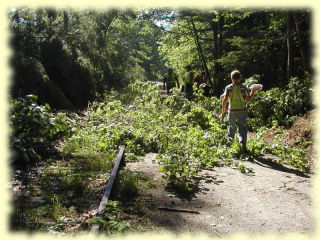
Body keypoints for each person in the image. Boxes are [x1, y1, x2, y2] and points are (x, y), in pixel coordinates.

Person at [220, 70, 257, 151]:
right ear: (240, 78)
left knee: (231, 127)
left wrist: (223, 111)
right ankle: (242, 142)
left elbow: (225, 100)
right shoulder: (243, 87)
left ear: (231, 78)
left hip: (231, 111)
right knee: (242, 127)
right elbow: (248, 99)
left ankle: (230, 143)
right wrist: (253, 91)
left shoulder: (228, 87)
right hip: (242, 110)